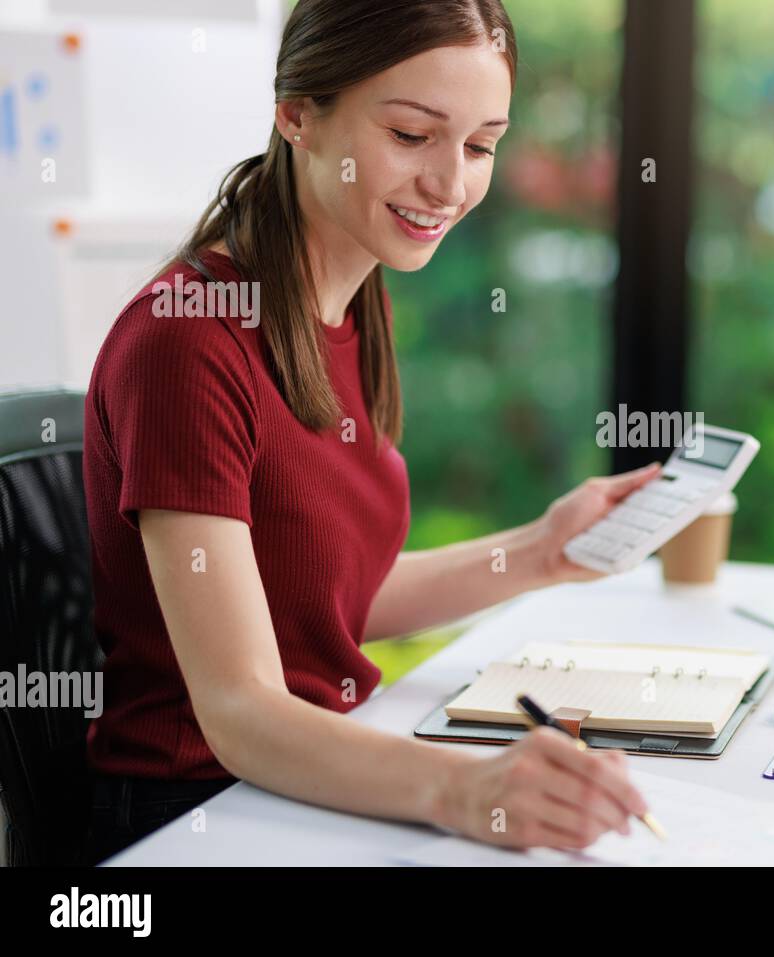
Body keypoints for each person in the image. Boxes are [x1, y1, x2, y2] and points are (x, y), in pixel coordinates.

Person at [83, 0, 653, 864]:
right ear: (297, 114)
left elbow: (328, 598)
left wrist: (541, 552)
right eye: (412, 134)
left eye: (479, 145)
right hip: (198, 815)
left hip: (307, 783)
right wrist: (468, 789)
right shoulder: (187, 340)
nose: (450, 184)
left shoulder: (353, 297)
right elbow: (238, 711)